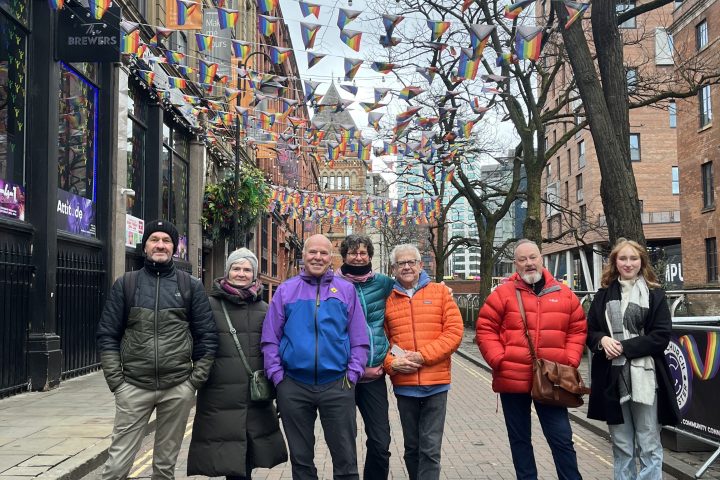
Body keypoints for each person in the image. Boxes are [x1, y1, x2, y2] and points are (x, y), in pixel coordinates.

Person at [96, 220, 218, 480]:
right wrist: (117, 382)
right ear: (145, 246)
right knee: (117, 466)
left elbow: (206, 336)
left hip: (177, 387)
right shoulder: (126, 284)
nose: (160, 245)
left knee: (164, 468)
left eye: (166, 240)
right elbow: (107, 334)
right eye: (154, 240)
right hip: (133, 386)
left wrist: (192, 383)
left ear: (174, 248)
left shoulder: (190, 286)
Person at [261, 234, 369, 480]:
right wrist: (278, 377)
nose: (318, 257)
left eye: (323, 253)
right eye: (313, 252)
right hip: (294, 386)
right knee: (301, 461)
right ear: (304, 256)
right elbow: (270, 339)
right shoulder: (286, 290)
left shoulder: (346, 290)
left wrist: (352, 374)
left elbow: (359, 338)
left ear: (330, 257)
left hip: (337, 384)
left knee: (346, 460)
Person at [476, 239, 586, 480]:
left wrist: (569, 360)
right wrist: (499, 359)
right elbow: (485, 328)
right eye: (522, 259)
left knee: (561, 439)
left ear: (541, 258)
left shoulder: (563, 294)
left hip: (552, 378)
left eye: (532, 257)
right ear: (515, 264)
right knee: (520, 441)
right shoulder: (503, 294)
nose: (529, 263)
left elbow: (577, 329)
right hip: (512, 378)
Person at [187, 248, 288, 479]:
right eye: (236, 268)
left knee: (248, 459)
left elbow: (274, 349)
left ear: (254, 275)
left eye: (247, 269)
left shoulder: (266, 309)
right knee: (227, 458)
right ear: (227, 271)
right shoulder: (207, 305)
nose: (241, 273)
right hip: (219, 395)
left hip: (255, 396)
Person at [586, 239, 680, 479]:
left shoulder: (655, 294)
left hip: (647, 378)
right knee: (622, 445)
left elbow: (660, 336)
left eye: (633, 259)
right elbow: (591, 331)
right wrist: (602, 341)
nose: (628, 264)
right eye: (623, 259)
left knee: (649, 443)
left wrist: (623, 347)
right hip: (612, 378)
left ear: (642, 262)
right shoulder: (604, 295)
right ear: (615, 263)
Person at [383, 244, 463, 480]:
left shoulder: (440, 292)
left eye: (411, 262)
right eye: (400, 263)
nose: (406, 267)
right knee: (412, 447)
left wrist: (423, 356)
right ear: (394, 268)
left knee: (430, 448)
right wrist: (390, 363)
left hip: (436, 384)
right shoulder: (387, 298)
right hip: (405, 385)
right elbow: (381, 341)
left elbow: (454, 332)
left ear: (420, 265)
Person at [337, 234, 394, 480]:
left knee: (381, 442)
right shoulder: (333, 285)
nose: (358, 257)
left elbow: (411, 282)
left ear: (370, 256)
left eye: (363, 253)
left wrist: (435, 286)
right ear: (344, 256)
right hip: (343, 379)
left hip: (374, 379)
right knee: (344, 443)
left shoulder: (383, 283)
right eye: (352, 253)